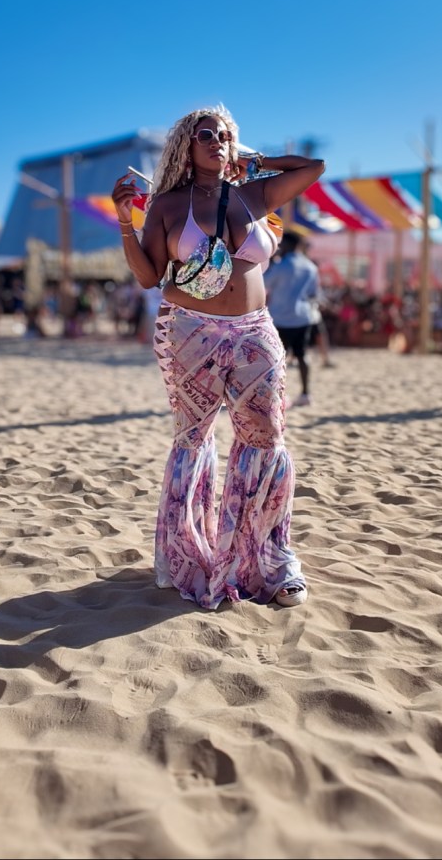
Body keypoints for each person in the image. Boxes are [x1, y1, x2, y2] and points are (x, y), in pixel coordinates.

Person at [111, 104, 325, 610]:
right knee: (194, 438)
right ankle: (194, 558)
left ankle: (269, 561)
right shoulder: (166, 203)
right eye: (206, 134)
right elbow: (148, 276)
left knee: (267, 438)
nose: (217, 140)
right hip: (191, 331)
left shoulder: (254, 195)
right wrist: (126, 221)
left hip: (256, 329)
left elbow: (312, 170)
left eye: (226, 135)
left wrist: (257, 161)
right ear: (186, 144)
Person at [264, 231, 320, 405]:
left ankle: (280, 393)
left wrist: (272, 263)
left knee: (278, 358)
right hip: (303, 316)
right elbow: (314, 294)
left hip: (280, 316)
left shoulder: (281, 266)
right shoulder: (311, 266)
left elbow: (263, 283)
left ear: (288, 245)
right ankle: (305, 393)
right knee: (302, 355)